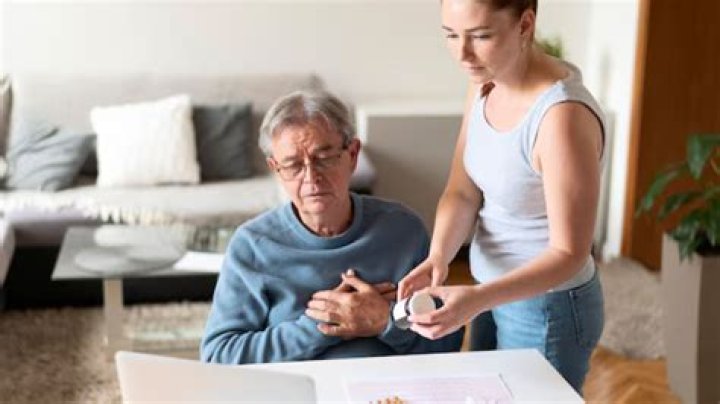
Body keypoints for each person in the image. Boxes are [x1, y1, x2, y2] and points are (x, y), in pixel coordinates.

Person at [397, 0, 605, 393]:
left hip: (548, 307)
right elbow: (462, 191)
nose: (462, 53)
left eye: (480, 36)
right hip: (488, 289)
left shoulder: (561, 117)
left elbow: (570, 252)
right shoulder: (484, 82)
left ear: (525, 24)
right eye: (451, 35)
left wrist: (478, 299)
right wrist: (438, 256)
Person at [201, 90, 462, 364]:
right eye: (293, 165)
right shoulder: (253, 245)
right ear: (276, 169)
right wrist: (319, 325)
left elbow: (448, 342)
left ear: (353, 155)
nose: (311, 177)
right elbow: (219, 355)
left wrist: (386, 321)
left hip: (388, 384)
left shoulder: (403, 230)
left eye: (324, 158)